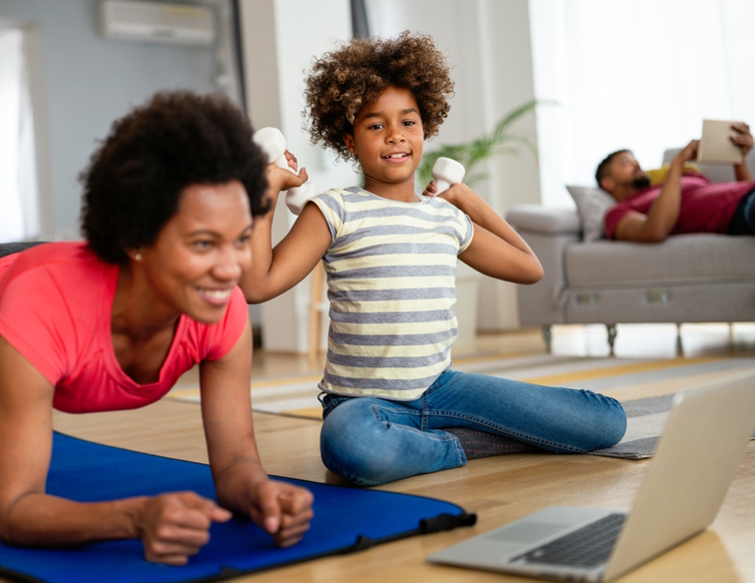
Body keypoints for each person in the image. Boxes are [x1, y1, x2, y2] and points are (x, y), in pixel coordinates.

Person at [0, 91, 313, 564]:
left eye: (240, 239)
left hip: (55, 280)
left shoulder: (223, 309)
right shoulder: (43, 306)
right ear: (136, 239)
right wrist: (134, 518)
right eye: (203, 243)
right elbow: (12, 510)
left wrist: (261, 493)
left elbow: (237, 462)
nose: (229, 268)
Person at [238, 33, 627, 487]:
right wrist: (268, 189)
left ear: (426, 130)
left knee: (607, 422)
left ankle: (432, 439)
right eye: (375, 125)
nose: (396, 135)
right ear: (349, 139)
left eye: (408, 122)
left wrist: (468, 200)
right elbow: (257, 285)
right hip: (364, 405)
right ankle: (468, 444)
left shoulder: (446, 217)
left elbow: (529, 267)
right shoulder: (332, 209)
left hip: (442, 390)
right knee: (351, 444)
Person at [596, 123, 755, 242]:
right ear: (608, 182)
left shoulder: (670, 183)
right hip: (737, 213)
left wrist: (738, 158)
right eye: (626, 163)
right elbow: (654, 231)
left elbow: (744, 188)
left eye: (635, 160)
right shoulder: (617, 212)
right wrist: (678, 163)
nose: (637, 165)